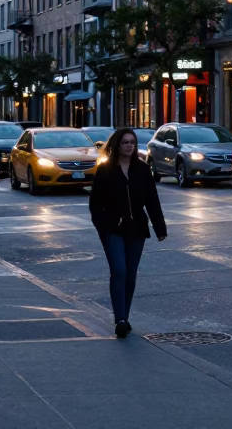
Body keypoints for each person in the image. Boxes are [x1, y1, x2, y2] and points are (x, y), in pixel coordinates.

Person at [89, 127, 167, 338]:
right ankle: (120, 319)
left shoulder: (142, 169)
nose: (130, 146)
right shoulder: (105, 170)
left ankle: (125, 316)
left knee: (130, 275)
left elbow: (152, 199)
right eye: (125, 142)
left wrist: (160, 228)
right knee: (119, 271)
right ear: (117, 145)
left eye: (132, 142)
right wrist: (102, 226)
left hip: (136, 229)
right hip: (112, 229)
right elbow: (95, 204)